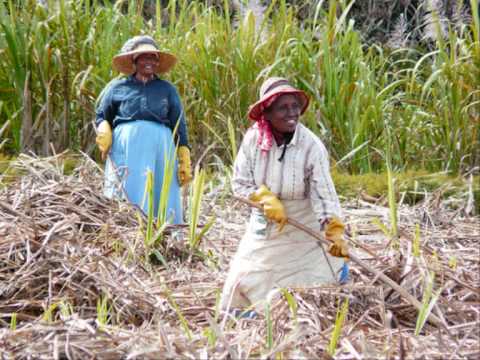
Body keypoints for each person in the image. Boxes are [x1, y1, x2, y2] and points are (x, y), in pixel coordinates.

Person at [221, 77, 349, 313]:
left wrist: (333, 227)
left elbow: (323, 192)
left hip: (304, 227)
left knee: (308, 287)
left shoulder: (311, 145)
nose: (292, 113)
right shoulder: (253, 140)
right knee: (240, 286)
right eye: (283, 108)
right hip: (267, 224)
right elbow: (239, 183)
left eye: (295, 106)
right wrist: (261, 198)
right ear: (267, 114)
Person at [95, 35, 191, 223]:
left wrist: (184, 151)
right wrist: (104, 128)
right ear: (134, 61)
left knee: (159, 191)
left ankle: (162, 233)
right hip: (127, 148)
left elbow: (178, 122)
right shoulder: (117, 88)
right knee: (127, 189)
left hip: (160, 149)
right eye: (144, 57)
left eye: (153, 58)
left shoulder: (167, 89)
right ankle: (124, 229)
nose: (149, 62)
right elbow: (101, 115)